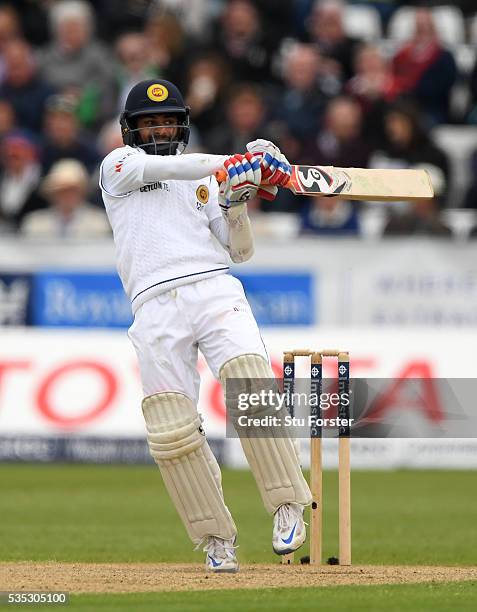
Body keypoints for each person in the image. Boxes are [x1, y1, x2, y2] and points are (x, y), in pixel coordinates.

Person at [99, 79, 312, 573]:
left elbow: (239, 250)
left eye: (167, 121)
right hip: (153, 305)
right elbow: (177, 166)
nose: (159, 129)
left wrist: (236, 198)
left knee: (248, 382)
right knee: (171, 429)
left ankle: (286, 503)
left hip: (215, 288)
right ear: (131, 130)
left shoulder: (206, 180)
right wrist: (241, 161)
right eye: (149, 122)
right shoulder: (119, 167)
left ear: (182, 125)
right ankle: (216, 537)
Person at [21, 158, 110, 239]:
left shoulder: (99, 223)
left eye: (73, 190)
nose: (67, 196)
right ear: (53, 194)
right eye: (62, 191)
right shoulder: (34, 224)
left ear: (82, 192)